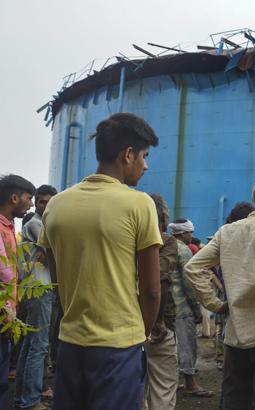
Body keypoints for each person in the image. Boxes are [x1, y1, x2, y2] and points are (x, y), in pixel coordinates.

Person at [38, 113, 163, 410]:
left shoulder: (56, 205)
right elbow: (152, 290)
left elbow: (56, 275)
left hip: (69, 342)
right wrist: (141, 333)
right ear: (128, 154)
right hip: (118, 347)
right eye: (144, 156)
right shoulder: (139, 203)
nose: (145, 165)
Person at [185, 176, 255, 409]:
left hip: (236, 333)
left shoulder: (227, 231)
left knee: (234, 400)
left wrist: (214, 304)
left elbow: (193, 267)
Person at [15, 184, 57, 410]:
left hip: (38, 289)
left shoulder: (43, 224)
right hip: (39, 289)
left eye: (50, 201)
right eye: (41, 201)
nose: (45, 205)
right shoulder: (36, 225)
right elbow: (53, 253)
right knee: (38, 345)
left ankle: (23, 399)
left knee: (31, 344)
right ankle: (30, 400)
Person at [0, 175, 35, 408]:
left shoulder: (9, 226)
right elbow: (5, 273)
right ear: (14, 198)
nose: (31, 204)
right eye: (28, 198)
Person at [143, 193, 179, 410]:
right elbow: (160, 281)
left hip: (129, 322)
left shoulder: (129, 240)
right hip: (158, 325)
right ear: (164, 219)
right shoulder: (166, 242)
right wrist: (157, 321)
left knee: (137, 386)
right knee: (162, 387)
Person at [167, 219, 210, 398]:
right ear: (183, 234)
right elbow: (188, 282)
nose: (191, 236)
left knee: (170, 347)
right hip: (182, 307)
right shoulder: (182, 249)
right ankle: (191, 383)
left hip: (166, 307)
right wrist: (197, 308)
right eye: (189, 233)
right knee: (187, 345)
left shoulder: (164, 244)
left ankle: (172, 383)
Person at [213, 202, 255, 372]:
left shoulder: (224, 240)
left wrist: (213, 304)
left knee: (234, 374)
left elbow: (196, 269)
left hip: (231, 313)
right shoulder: (250, 244)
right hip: (252, 318)